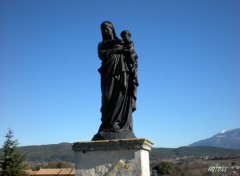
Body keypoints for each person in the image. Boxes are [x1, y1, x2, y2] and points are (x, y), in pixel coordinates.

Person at [92, 21, 137, 140]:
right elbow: (102, 55)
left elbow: (132, 54)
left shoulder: (120, 42)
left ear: (112, 29)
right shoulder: (101, 44)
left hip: (122, 72)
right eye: (102, 29)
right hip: (108, 73)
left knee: (120, 96)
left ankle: (116, 123)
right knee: (107, 97)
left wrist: (127, 52)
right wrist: (117, 50)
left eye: (107, 28)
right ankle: (106, 124)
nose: (105, 31)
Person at [121, 30, 139, 107]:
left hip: (132, 60)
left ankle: (133, 75)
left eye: (125, 36)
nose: (124, 38)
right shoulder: (122, 44)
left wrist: (123, 49)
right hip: (127, 60)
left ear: (129, 36)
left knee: (131, 56)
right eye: (122, 37)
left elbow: (131, 50)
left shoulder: (131, 42)